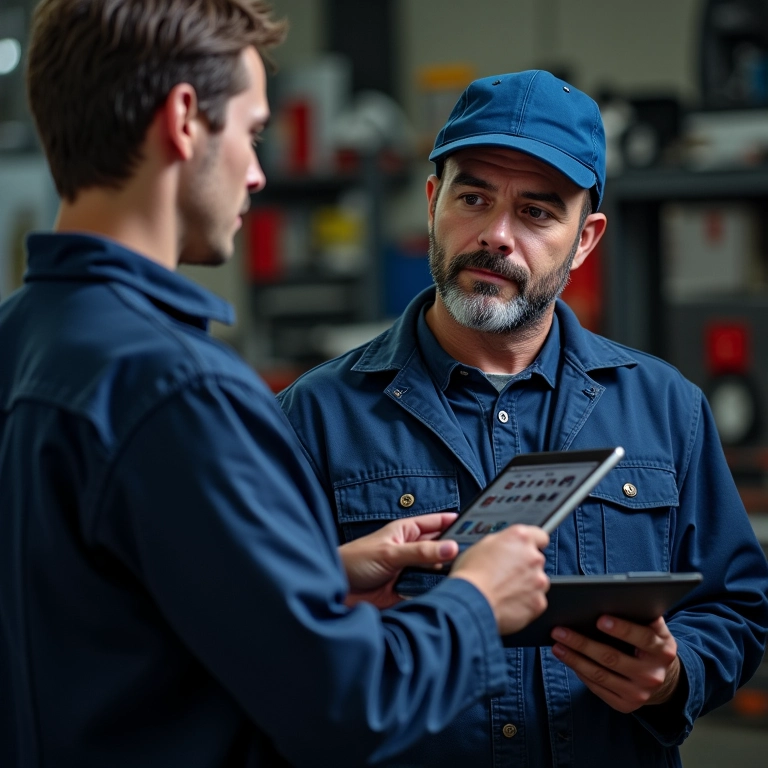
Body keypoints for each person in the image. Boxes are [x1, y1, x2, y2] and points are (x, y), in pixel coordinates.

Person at [0, 4, 553, 767]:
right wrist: (476, 601)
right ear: (186, 120)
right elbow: (350, 705)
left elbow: (101, 609)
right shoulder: (180, 391)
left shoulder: (21, 337)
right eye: (253, 132)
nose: (257, 171)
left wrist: (319, 573)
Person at [278, 69, 768, 767]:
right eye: (473, 197)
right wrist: (326, 597)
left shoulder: (667, 409)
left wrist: (674, 672)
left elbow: (736, 607)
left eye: (537, 213)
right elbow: (253, 642)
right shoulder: (313, 417)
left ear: (586, 239)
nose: (497, 236)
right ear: (431, 203)